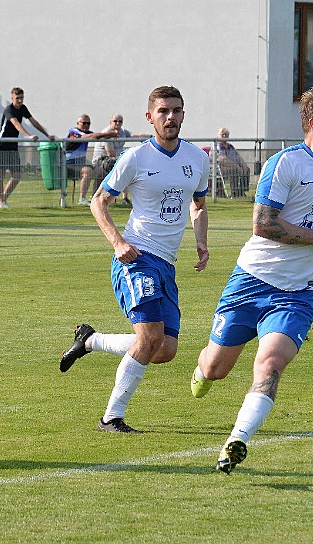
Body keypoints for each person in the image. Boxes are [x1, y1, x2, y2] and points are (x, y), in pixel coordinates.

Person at [190, 88, 313, 473]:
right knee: (215, 368)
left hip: (298, 294)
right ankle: (202, 370)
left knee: (270, 366)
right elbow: (263, 225)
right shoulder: (284, 164)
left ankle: (237, 441)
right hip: (251, 281)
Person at [58, 85, 209, 433]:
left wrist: (202, 242)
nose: (170, 117)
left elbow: (198, 205)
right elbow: (99, 201)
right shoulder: (136, 158)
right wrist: (118, 243)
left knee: (165, 348)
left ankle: (91, 341)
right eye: (163, 111)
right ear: (150, 117)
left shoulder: (197, 159)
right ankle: (111, 417)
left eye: (177, 110)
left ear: (183, 114)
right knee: (150, 336)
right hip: (137, 256)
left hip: (167, 263)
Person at [0, 87, 54, 209]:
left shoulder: (23, 108)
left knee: (16, 175)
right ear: (12, 98)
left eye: (21, 98)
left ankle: (2, 200)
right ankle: (1, 201)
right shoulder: (8, 109)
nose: (20, 100)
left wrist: (47, 135)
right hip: (3, 143)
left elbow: (33, 122)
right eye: (17, 98)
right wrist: (28, 136)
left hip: (14, 144)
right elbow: (16, 124)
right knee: (0, 174)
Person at [91, 115, 147, 205]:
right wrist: (125, 158)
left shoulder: (122, 131)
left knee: (127, 167)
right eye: (115, 121)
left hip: (114, 160)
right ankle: (105, 199)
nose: (118, 123)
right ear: (110, 122)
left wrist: (152, 137)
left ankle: (125, 198)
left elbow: (134, 135)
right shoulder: (107, 133)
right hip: (101, 161)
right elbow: (111, 153)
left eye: (120, 121)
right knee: (125, 167)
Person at [65, 114, 117, 205]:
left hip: (80, 163)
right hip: (68, 164)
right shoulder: (74, 131)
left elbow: (97, 136)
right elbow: (88, 137)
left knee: (101, 172)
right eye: (84, 123)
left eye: (88, 123)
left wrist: (112, 134)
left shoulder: (88, 132)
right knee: (87, 171)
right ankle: (82, 199)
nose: (86, 125)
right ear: (78, 123)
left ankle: (96, 197)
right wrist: (108, 134)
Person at [210, 127, 251, 197]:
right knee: (233, 170)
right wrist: (236, 166)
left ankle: (241, 191)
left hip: (233, 166)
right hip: (218, 169)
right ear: (218, 135)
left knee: (246, 169)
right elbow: (222, 159)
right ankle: (234, 192)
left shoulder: (231, 147)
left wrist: (243, 165)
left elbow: (238, 157)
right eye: (222, 134)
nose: (224, 136)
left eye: (226, 134)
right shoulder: (216, 146)